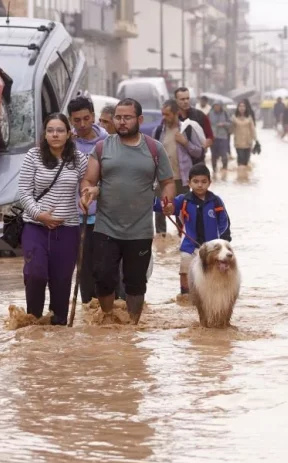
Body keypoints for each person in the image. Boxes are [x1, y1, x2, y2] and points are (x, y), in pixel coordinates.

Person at [80, 98, 176, 324]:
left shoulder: (154, 148)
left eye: (127, 118)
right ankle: (108, 319)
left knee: (135, 283)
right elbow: (89, 179)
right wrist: (88, 192)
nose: (122, 122)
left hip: (140, 230)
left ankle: (132, 326)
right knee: (103, 278)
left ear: (139, 120)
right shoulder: (102, 147)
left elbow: (168, 181)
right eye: (118, 118)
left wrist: (168, 199)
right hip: (106, 227)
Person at [18, 113, 89, 324]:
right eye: (50, 131)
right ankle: (33, 323)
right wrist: (40, 215)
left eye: (60, 131)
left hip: (67, 230)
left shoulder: (79, 159)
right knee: (35, 274)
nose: (55, 134)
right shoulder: (33, 156)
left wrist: (85, 196)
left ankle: (57, 332)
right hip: (35, 227)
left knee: (62, 283)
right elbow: (23, 192)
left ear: (69, 134)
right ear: (45, 134)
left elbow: (87, 183)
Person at [154, 164, 231, 298]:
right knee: (185, 267)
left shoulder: (216, 201)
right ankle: (185, 294)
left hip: (212, 247)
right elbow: (167, 208)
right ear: (189, 183)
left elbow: (224, 222)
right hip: (190, 245)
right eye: (196, 181)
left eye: (203, 182)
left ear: (209, 183)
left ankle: (214, 295)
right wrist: (155, 202)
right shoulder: (183, 200)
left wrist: (224, 241)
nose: (200, 185)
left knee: (215, 271)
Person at [67, 96, 108, 305]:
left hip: (105, 217)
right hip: (76, 218)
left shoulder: (107, 142)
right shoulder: (66, 145)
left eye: (86, 118)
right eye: (77, 120)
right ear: (71, 120)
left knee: (105, 269)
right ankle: (89, 312)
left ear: (93, 116)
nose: (82, 124)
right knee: (83, 271)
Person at [153, 99, 202, 233]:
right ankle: (162, 242)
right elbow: (152, 154)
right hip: (163, 178)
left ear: (176, 113)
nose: (164, 117)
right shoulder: (158, 131)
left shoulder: (187, 129)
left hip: (182, 178)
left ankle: (182, 239)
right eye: (162, 114)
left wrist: (185, 142)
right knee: (160, 212)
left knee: (183, 212)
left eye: (167, 114)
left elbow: (198, 151)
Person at [174, 87, 213, 162]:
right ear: (176, 100)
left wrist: (202, 146)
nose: (186, 101)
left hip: (197, 161)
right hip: (178, 162)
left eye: (187, 98)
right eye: (182, 99)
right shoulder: (172, 118)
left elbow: (210, 137)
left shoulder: (200, 116)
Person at [207, 102, 231, 174]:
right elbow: (206, 124)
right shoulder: (210, 114)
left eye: (218, 106)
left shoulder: (225, 114)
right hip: (213, 137)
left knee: (224, 154)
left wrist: (224, 124)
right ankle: (214, 171)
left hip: (223, 137)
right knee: (214, 155)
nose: (216, 107)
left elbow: (230, 123)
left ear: (221, 106)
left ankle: (224, 170)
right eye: (215, 106)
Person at [232, 100, 257, 169]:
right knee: (240, 161)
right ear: (238, 108)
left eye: (243, 106)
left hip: (248, 143)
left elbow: (252, 130)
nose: (242, 108)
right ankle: (240, 178)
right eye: (240, 106)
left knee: (246, 162)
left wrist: (256, 140)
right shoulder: (234, 118)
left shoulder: (249, 118)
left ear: (246, 108)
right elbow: (231, 130)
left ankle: (244, 178)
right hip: (238, 143)